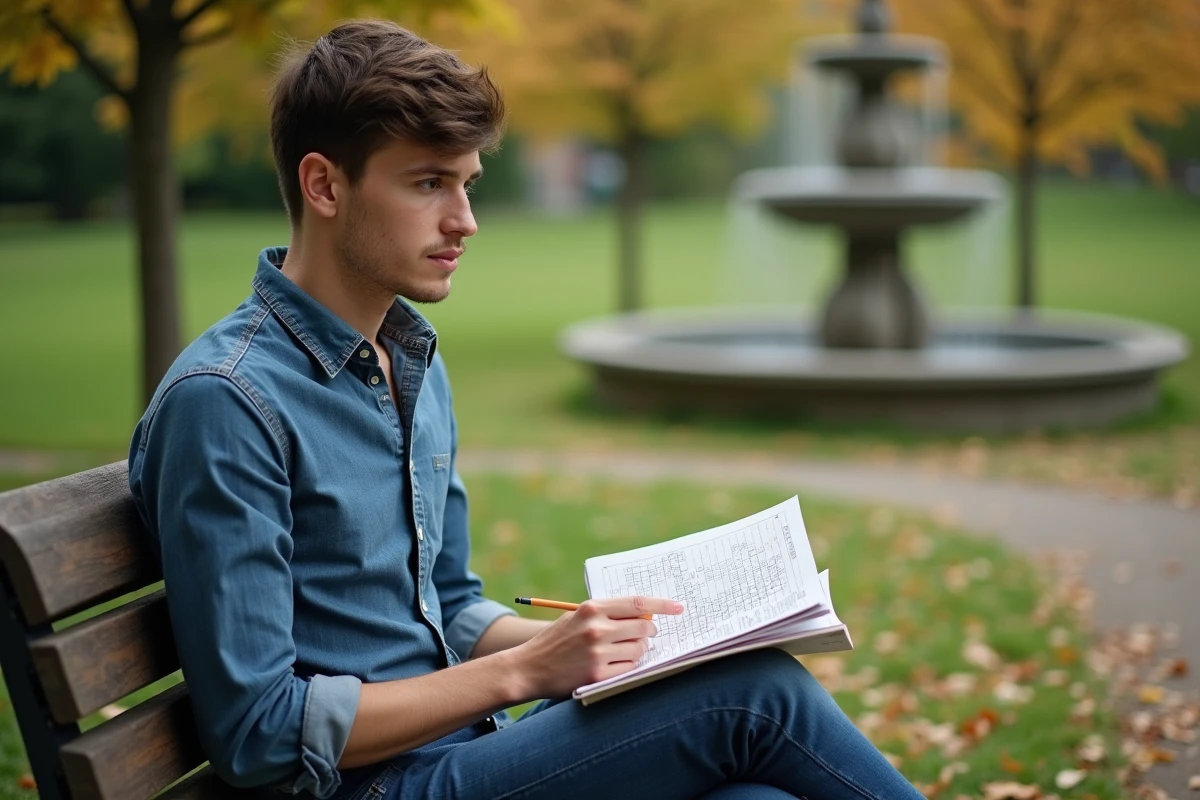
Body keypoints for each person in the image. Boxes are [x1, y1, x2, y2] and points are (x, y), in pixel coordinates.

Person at [128, 19, 925, 800]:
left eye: (466, 184)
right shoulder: (228, 404)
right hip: (368, 786)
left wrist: (595, 642)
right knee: (752, 692)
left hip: (455, 754)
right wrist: (524, 672)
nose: (464, 221)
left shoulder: (405, 360)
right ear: (325, 184)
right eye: (428, 182)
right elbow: (258, 733)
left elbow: (444, 602)